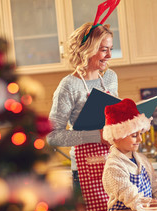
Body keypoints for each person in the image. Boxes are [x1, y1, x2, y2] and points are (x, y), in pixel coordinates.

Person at [47, 21, 118, 194]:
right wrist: (96, 136)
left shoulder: (110, 78)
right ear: (87, 49)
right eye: (103, 49)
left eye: (110, 48)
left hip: (115, 164)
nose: (109, 55)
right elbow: (52, 136)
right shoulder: (68, 86)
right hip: (85, 168)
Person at [102, 98, 157, 211]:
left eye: (140, 134)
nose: (140, 139)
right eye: (134, 135)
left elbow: (155, 190)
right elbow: (133, 198)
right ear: (117, 137)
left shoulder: (142, 160)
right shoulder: (113, 166)